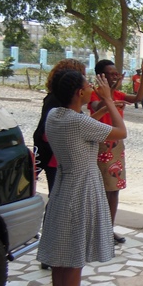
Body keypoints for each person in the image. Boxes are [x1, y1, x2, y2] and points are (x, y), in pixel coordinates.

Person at [36, 70, 126, 286]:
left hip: (63, 187)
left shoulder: (56, 115)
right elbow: (121, 132)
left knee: (61, 257)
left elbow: (82, 126)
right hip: (81, 189)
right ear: (79, 93)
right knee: (74, 258)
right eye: (88, 85)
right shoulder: (77, 122)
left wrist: (101, 110)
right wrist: (108, 101)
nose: (91, 88)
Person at [88, 56, 143, 244]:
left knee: (114, 189)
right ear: (100, 76)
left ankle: (108, 229)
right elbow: (99, 107)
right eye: (110, 74)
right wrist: (109, 91)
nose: (114, 77)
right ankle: (98, 230)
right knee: (102, 189)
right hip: (101, 144)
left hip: (117, 145)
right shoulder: (94, 94)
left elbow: (138, 98)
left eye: (115, 74)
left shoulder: (117, 94)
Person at [34, 59, 87, 193]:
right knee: (58, 196)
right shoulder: (59, 102)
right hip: (53, 156)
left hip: (55, 155)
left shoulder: (58, 100)